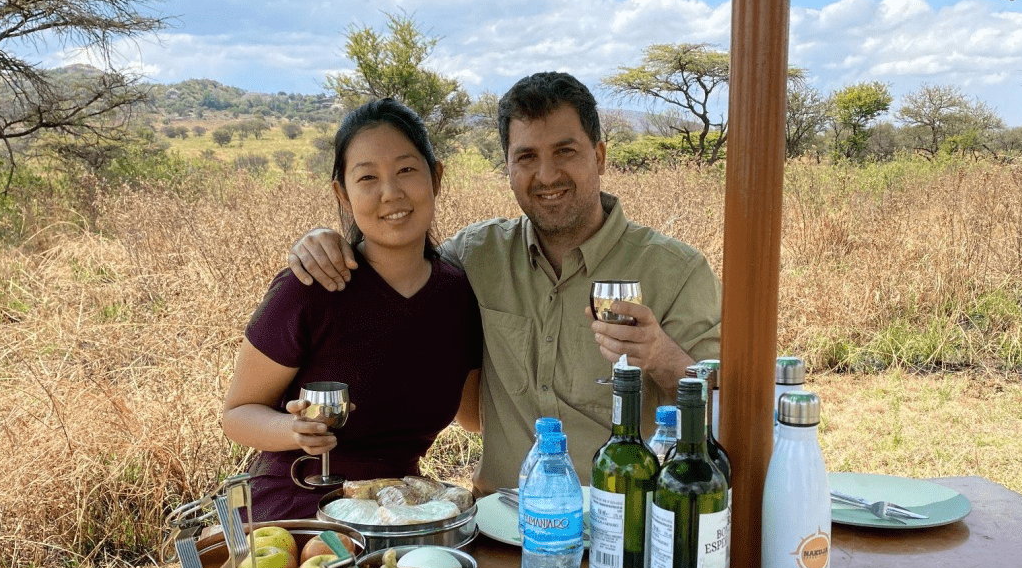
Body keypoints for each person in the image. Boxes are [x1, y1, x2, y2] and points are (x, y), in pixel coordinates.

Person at [288, 72, 721, 494]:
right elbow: (396, 255)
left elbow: (725, 417)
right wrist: (324, 240)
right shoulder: (477, 255)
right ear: (508, 167)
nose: (547, 175)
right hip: (498, 524)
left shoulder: (676, 271)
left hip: (620, 524)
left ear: (600, 156)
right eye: (527, 157)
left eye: (565, 151)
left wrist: (661, 356)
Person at [222, 98, 483, 520]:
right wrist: (295, 430)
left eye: (406, 170)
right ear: (342, 192)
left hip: (396, 514)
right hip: (297, 513)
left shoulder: (458, 294)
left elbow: (473, 415)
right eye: (367, 177)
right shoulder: (311, 286)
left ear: (436, 177)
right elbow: (236, 414)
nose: (390, 193)